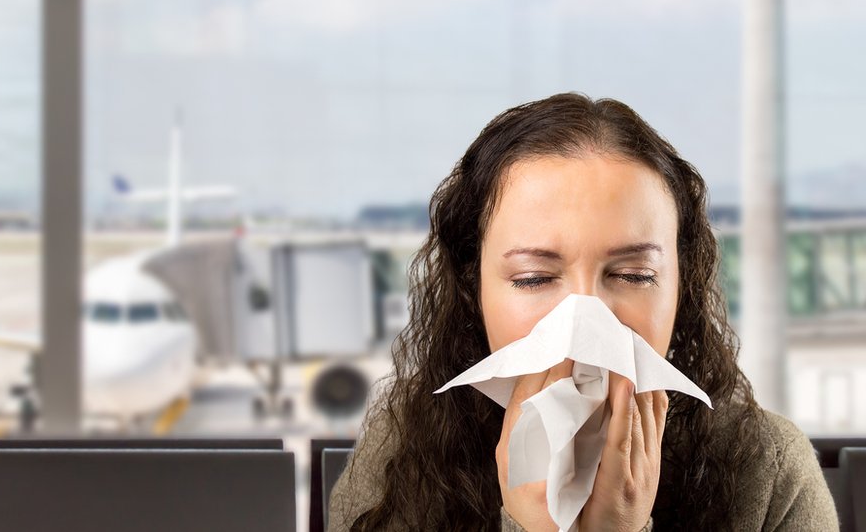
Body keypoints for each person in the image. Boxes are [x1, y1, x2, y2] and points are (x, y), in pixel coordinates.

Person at [326, 93, 838, 531]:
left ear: (683, 285)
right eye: (535, 278)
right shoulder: (403, 454)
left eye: (633, 275)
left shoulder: (767, 468)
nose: (584, 324)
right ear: (472, 287)